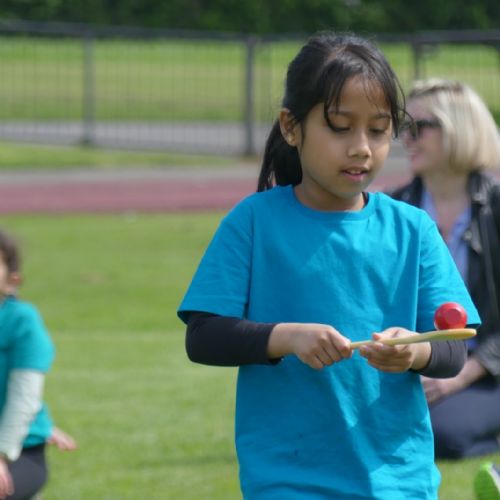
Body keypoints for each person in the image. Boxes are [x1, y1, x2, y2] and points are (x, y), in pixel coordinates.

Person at [178, 32, 480, 499]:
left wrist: (412, 352)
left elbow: (454, 348)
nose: (361, 147)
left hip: (398, 481)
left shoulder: (413, 229)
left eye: (378, 130)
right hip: (288, 481)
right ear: (291, 126)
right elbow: (204, 336)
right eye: (340, 126)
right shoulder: (254, 222)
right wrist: (288, 337)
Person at [390, 79, 500, 461]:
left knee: (442, 434)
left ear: (459, 128)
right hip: (418, 365)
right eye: (405, 127)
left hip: (486, 371)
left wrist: (464, 374)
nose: (407, 138)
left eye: (420, 127)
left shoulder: (496, 206)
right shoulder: (395, 209)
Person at [0, 229, 74, 500]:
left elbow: (25, 396)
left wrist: (2, 454)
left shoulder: (21, 321)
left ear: (12, 280)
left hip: (20, 450)